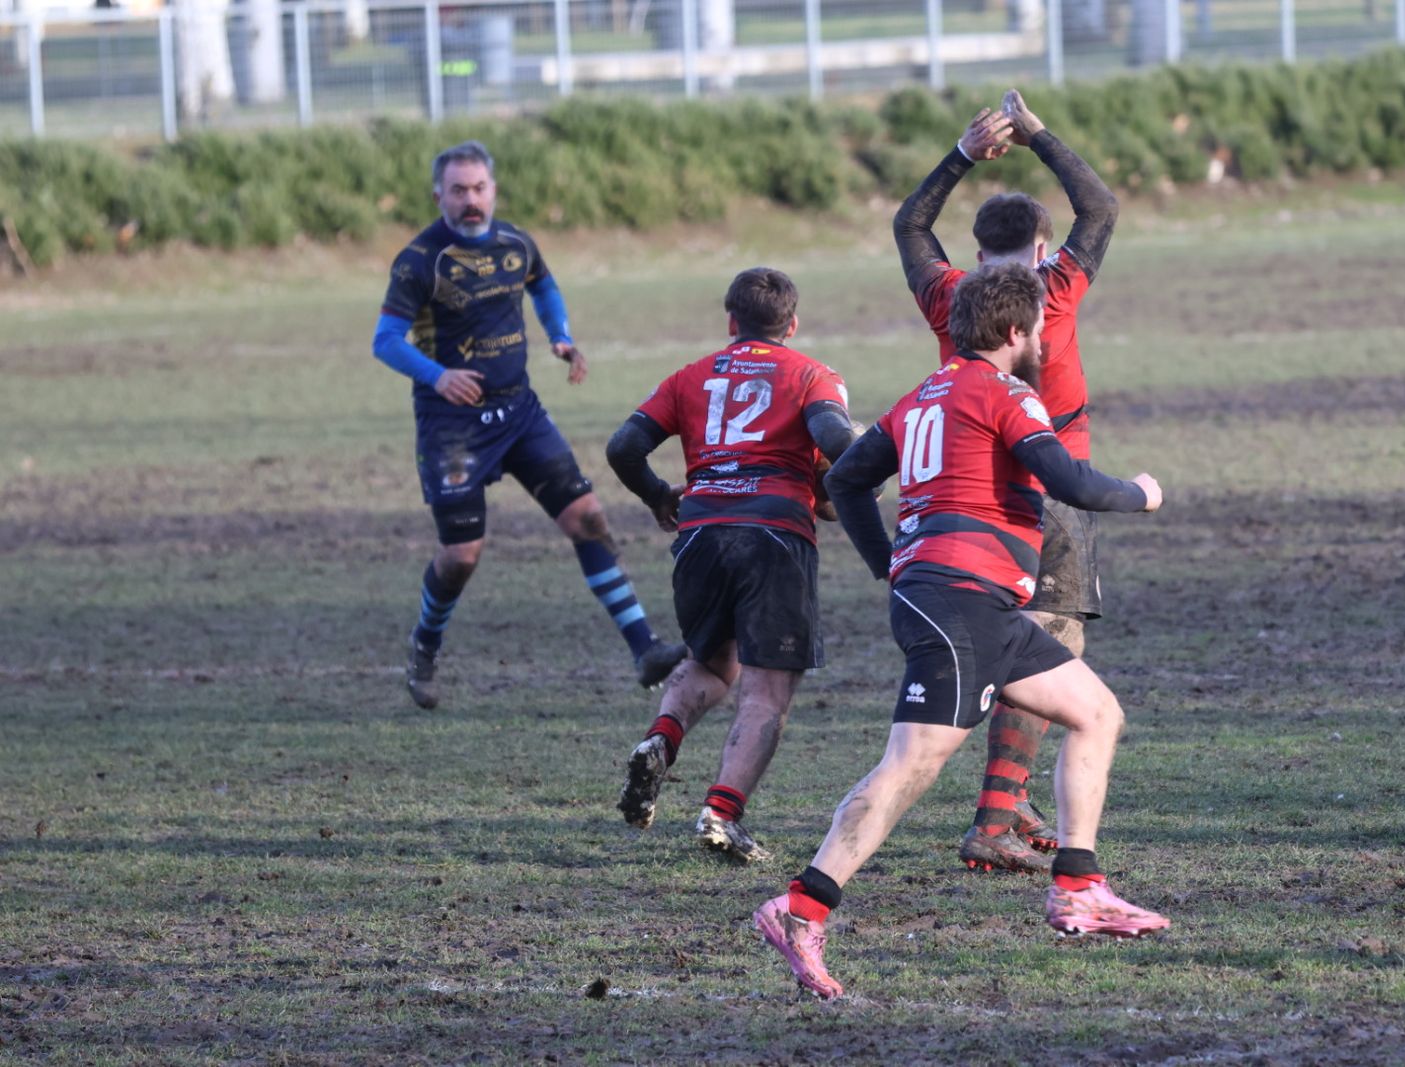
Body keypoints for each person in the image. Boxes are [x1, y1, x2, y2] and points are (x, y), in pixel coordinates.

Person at [754, 264, 1168, 1000]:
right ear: (1016, 332)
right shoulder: (1006, 393)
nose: (1044, 339)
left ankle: (1078, 886)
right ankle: (801, 907)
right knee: (910, 766)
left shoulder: (925, 393)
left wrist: (893, 565)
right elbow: (1071, 482)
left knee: (1096, 712)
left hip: (979, 605)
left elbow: (847, 480)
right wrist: (1139, 492)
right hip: (958, 603)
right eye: (1040, 327)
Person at [893, 90, 1121, 875]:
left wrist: (962, 152)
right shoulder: (1052, 289)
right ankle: (996, 814)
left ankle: (1009, 801)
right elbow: (1101, 207)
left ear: (977, 246)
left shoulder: (952, 298)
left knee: (1017, 636)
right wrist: (1038, 135)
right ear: (1041, 242)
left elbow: (908, 226)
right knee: (1052, 641)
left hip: (969, 491)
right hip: (1049, 490)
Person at [372, 141, 685, 709]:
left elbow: (542, 284)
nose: (471, 200)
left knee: (588, 518)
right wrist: (438, 376)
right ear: (438, 194)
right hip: (453, 427)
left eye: (479, 188)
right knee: (461, 555)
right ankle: (425, 645)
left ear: (493, 189)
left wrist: (559, 333)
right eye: (459, 190)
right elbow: (385, 340)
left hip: (520, 412)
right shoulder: (420, 261)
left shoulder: (516, 244)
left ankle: (646, 648)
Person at [607, 268, 858, 862]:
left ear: (730, 322)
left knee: (713, 664)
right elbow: (833, 436)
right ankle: (721, 813)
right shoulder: (811, 375)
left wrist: (656, 494)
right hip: (773, 534)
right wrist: (851, 478)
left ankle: (659, 740)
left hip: (700, 533)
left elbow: (623, 447)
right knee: (767, 690)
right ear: (791, 325)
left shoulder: (690, 377)